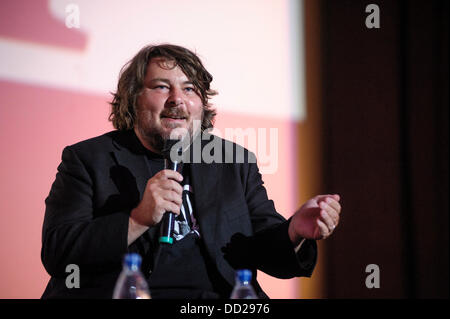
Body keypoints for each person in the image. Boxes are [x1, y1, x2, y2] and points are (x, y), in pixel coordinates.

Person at [41, 44, 342, 299]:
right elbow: (60, 253)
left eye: (189, 89)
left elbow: (266, 252)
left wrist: (294, 232)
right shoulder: (87, 159)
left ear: (202, 104)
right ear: (133, 98)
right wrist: (137, 219)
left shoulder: (232, 162)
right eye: (161, 86)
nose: (177, 99)